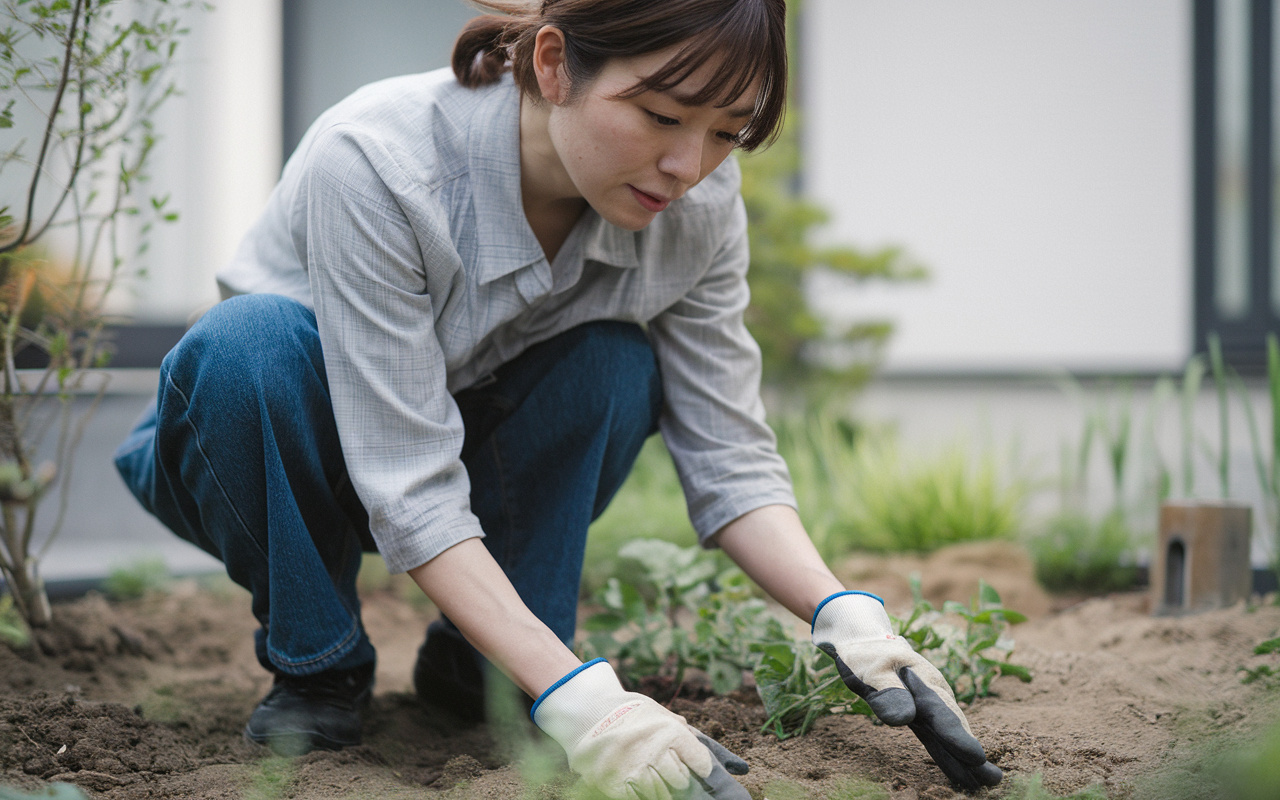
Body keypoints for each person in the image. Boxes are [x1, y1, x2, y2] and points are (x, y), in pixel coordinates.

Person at [113, 0, 1003, 796]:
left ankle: (488, 668)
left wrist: (842, 612)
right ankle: (318, 668)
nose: (687, 163)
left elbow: (727, 449)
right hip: (269, 454)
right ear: (552, 65)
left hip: (452, 445)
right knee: (246, 345)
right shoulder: (380, 164)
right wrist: (587, 695)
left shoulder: (696, 209)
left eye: (728, 132)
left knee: (616, 361)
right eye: (660, 114)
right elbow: (404, 477)